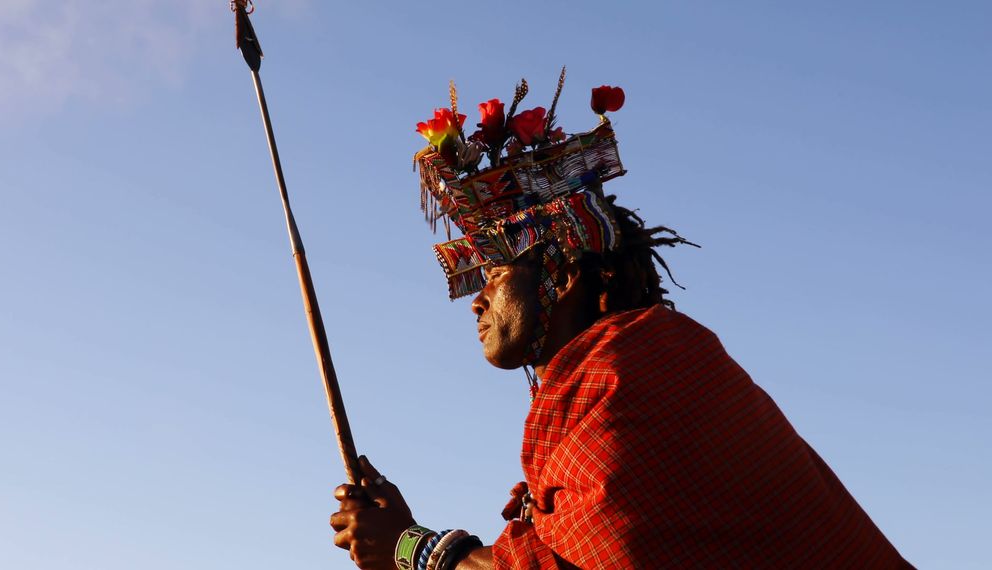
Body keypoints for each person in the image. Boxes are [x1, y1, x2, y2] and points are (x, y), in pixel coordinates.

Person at [330, 79, 912, 569]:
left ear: (563, 276)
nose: (477, 302)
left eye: (497, 272)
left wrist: (415, 549)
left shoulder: (636, 376)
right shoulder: (612, 381)